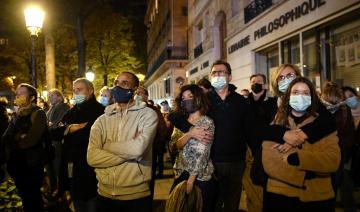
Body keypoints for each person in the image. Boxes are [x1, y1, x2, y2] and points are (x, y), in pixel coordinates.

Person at [262, 77, 340, 211]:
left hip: (317, 197)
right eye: (295, 92)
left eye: (305, 93)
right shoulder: (277, 124)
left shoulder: (324, 126)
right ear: (288, 96)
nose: (300, 96)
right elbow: (270, 163)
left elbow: (332, 161)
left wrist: (298, 159)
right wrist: (310, 171)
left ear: (312, 97)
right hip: (281, 195)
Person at [87, 72, 158, 211]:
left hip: (136, 197)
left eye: (124, 83)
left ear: (135, 88)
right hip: (104, 195)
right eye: (116, 83)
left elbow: (138, 150)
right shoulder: (101, 120)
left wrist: (106, 145)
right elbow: (92, 158)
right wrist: (129, 150)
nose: (118, 86)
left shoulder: (147, 115)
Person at [50, 78, 104, 212]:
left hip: (89, 165)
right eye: (74, 90)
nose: (76, 93)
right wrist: (69, 129)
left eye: (79, 90)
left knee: (91, 202)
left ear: (90, 91)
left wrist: (66, 134)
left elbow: (89, 136)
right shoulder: (72, 111)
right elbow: (53, 132)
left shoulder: (99, 111)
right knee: (77, 202)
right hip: (71, 165)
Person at [168, 84, 216, 212]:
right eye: (183, 97)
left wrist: (191, 180)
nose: (186, 99)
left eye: (190, 96)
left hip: (199, 177)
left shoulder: (206, 122)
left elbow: (202, 154)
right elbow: (175, 145)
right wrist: (190, 134)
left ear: (199, 98)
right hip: (180, 173)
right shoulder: (181, 121)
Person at [1, 83, 47, 211]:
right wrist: (20, 136)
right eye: (17, 94)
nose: (18, 95)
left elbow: (31, 140)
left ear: (32, 98)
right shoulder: (17, 115)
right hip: (17, 165)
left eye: (21, 93)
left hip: (32, 165)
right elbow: (5, 138)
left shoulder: (38, 113)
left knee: (34, 199)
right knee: (25, 199)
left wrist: (15, 138)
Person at [321, 82, 356, 211]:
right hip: (325, 158)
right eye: (329, 104)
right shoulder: (319, 112)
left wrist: (344, 156)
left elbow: (349, 135)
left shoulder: (345, 111)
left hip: (341, 157)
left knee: (344, 189)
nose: (332, 107)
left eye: (336, 103)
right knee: (328, 192)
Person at [243, 74, 274, 212]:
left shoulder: (272, 102)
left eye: (259, 82)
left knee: (266, 188)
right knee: (251, 189)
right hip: (249, 151)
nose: (256, 84)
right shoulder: (244, 103)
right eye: (253, 82)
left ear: (265, 85)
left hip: (267, 150)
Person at [135, 86, 168, 201]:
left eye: (140, 93)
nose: (137, 95)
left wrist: (153, 144)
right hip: (132, 152)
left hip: (150, 151)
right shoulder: (129, 109)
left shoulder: (154, 110)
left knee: (148, 180)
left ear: (146, 96)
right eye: (136, 93)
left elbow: (162, 130)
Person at [46, 89, 70, 195]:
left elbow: (59, 123)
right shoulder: (51, 108)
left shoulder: (63, 107)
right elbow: (48, 123)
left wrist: (50, 124)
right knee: (50, 166)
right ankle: (53, 188)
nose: (49, 97)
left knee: (57, 165)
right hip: (50, 139)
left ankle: (61, 189)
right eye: (49, 95)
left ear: (59, 97)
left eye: (52, 95)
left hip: (57, 141)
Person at [342, 86, 360, 187]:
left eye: (351, 96)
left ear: (356, 96)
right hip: (350, 162)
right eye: (345, 98)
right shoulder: (344, 117)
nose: (349, 99)